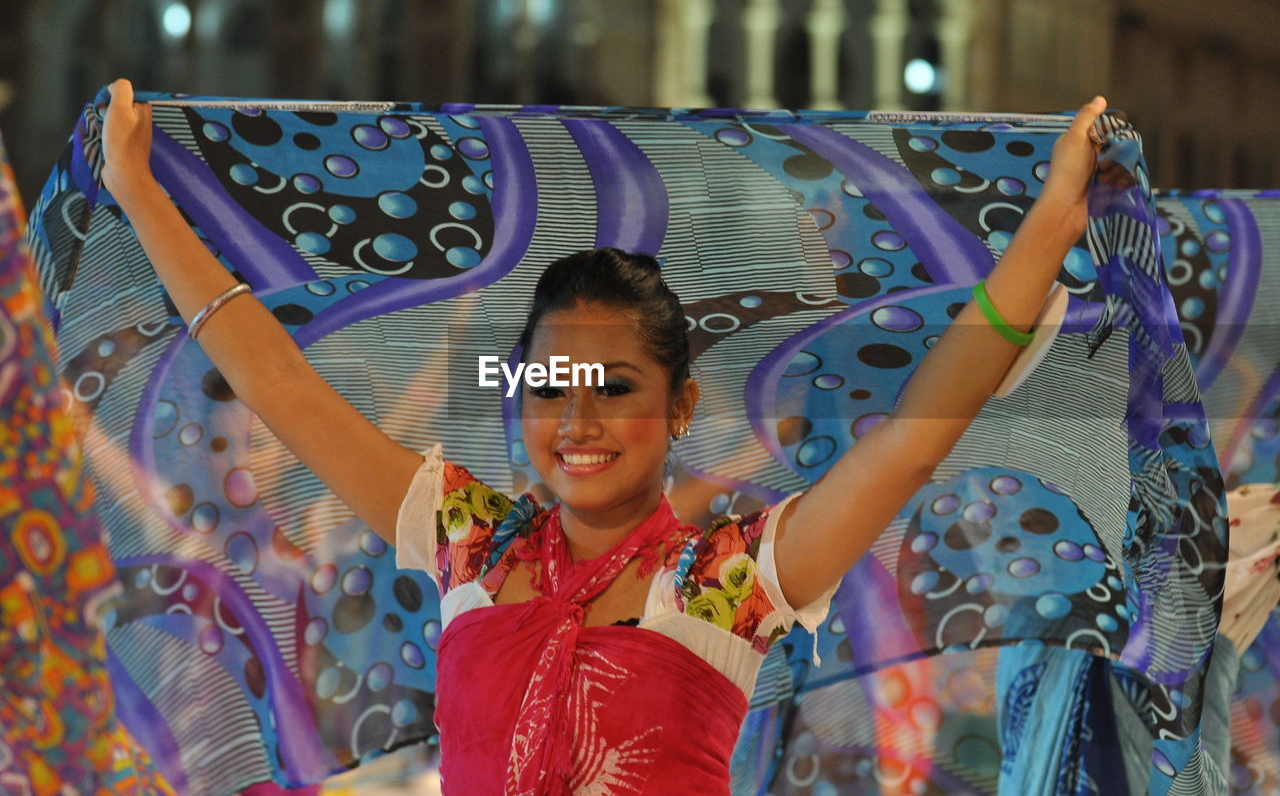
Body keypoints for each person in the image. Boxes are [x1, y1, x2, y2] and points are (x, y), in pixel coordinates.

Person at [100, 78, 1108, 795]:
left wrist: (1046, 229)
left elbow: (906, 445)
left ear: (677, 406)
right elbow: (277, 381)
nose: (576, 421)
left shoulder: (728, 579)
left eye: (612, 388)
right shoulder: (467, 539)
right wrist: (140, 194)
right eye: (550, 387)